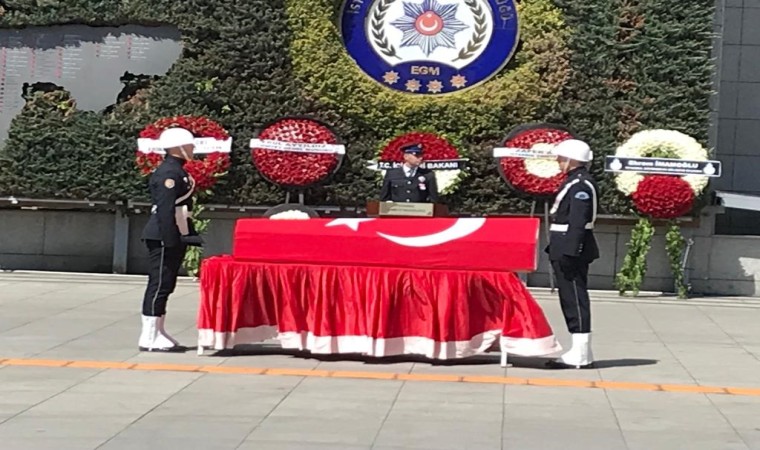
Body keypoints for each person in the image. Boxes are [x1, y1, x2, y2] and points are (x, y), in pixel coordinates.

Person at [138, 127, 203, 352]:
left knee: (166, 284)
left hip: (173, 231)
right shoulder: (169, 173)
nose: (193, 148)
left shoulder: (177, 170)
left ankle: (159, 330)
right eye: (190, 144)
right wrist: (170, 239)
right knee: (159, 284)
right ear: (178, 147)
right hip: (163, 234)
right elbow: (166, 209)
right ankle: (149, 335)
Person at [545, 139, 599, 369]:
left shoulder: (580, 186)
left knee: (575, 299)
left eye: (561, 157)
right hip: (565, 246)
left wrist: (570, 251)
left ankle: (581, 353)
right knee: (570, 298)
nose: (558, 161)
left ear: (572, 159)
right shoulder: (574, 181)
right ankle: (579, 350)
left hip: (571, 248)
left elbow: (578, 222)